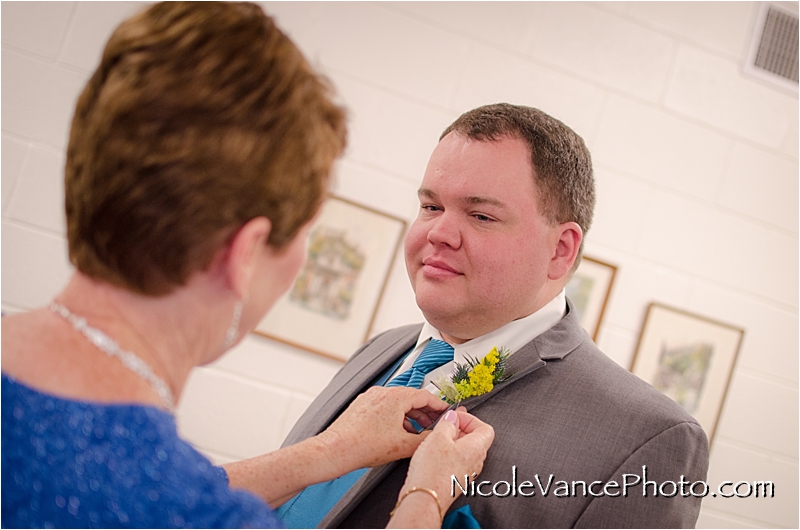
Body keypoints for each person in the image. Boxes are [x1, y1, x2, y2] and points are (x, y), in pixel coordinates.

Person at [0, 3, 495, 528]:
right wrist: (426, 493)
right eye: (305, 233)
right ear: (245, 254)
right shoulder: (195, 514)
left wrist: (328, 452)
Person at [280, 103, 710, 528]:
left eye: (481, 215)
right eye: (431, 207)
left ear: (560, 251)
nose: (439, 233)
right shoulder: (383, 349)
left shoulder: (645, 438)